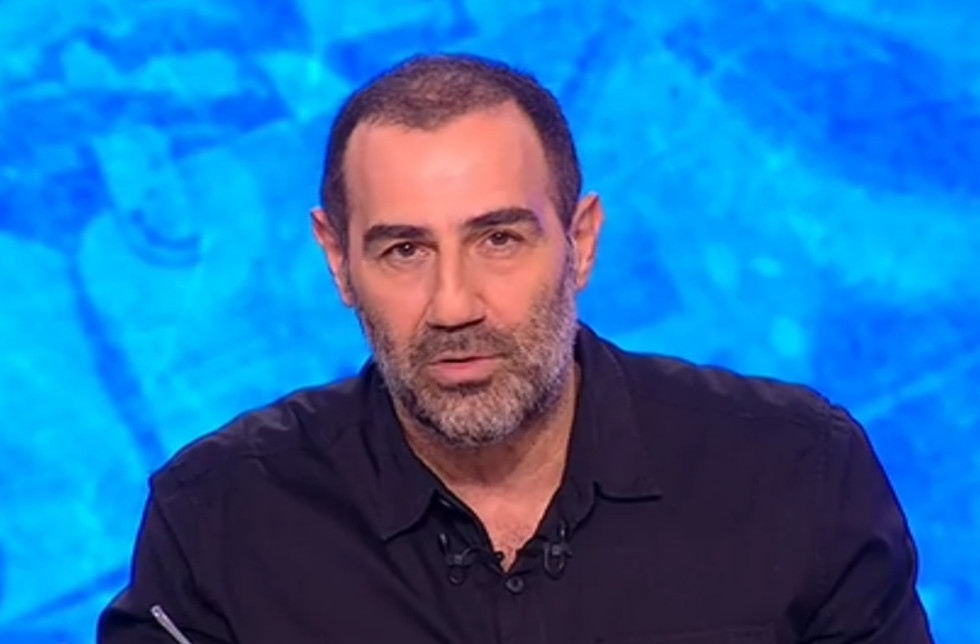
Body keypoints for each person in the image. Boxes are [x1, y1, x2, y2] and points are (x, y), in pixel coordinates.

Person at [98, 53, 934, 644]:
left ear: (581, 242)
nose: (454, 305)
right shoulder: (220, 518)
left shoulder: (795, 472)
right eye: (404, 250)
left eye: (499, 240)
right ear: (338, 262)